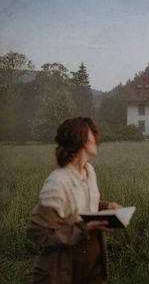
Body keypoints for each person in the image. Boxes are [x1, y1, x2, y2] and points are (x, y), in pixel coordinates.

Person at [26, 116, 122, 284]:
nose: (97, 138)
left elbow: (80, 207)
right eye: (92, 133)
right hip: (63, 268)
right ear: (82, 139)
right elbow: (38, 232)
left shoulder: (90, 171)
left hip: (93, 261)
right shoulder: (57, 183)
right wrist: (84, 228)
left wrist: (106, 207)